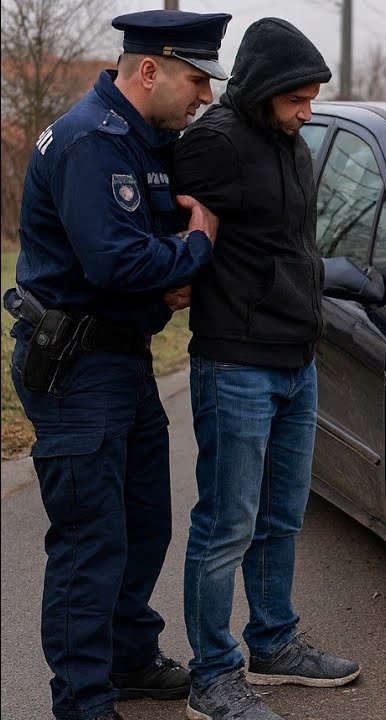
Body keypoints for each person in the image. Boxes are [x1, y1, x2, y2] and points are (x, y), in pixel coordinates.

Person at [3, 10, 229, 720]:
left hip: (121, 357)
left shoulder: (142, 138)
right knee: (90, 538)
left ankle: (129, 657)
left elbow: (141, 247)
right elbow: (116, 260)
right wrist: (196, 246)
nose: (206, 96)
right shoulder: (91, 141)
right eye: (197, 80)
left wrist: (169, 271)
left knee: (143, 524)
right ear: (150, 69)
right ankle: (83, 699)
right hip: (77, 367)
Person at [171, 17, 359, 720]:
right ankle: (212, 677)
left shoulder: (293, 147)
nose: (308, 112)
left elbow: (293, 246)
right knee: (228, 523)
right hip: (236, 364)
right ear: (261, 89)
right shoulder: (214, 142)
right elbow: (170, 223)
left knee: (282, 516)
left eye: (312, 99)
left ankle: (274, 643)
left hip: (295, 361)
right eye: (297, 99)